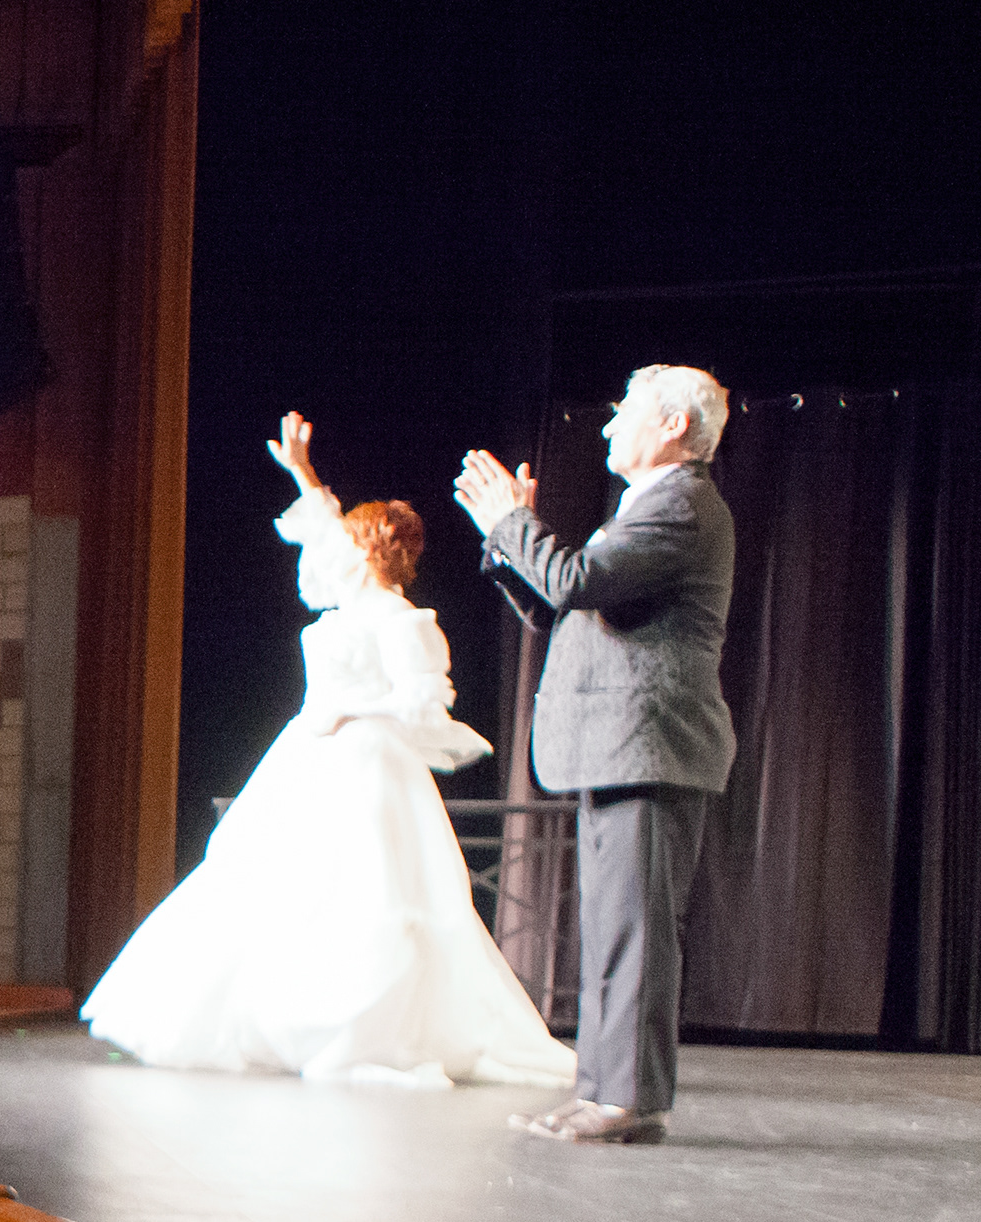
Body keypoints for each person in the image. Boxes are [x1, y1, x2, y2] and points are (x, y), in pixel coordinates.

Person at [83, 415, 578, 1090]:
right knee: (278, 887)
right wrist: (303, 473)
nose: (330, 554)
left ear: (369, 549)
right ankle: (283, 1019)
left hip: (370, 765)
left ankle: (366, 1034)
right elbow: (318, 535)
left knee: (369, 895)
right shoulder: (340, 614)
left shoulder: (407, 624)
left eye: (346, 542)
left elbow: (424, 706)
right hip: (310, 762)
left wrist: (349, 709)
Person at [456, 363, 740, 1142]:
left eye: (626, 414)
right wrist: (505, 535)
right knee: (614, 929)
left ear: (674, 427)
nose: (610, 427)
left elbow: (575, 581)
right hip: (620, 750)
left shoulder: (681, 506)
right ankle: (605, 1094)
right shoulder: (644, 507)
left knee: (636, 933)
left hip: (649, 749)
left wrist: (514, 522)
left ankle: (628, 1101)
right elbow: (565, 604)